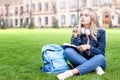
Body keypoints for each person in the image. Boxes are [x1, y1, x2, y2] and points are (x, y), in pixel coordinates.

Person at [57, 8, 106, 80]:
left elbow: (101, 52)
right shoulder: (78, 30)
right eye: (81, 15)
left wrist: (89, 47)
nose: (82, 17)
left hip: (97, 60)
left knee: (100, 57)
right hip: (82, 59)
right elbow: (74, 49)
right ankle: (95, 68)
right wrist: (75, 36)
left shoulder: (101, 32)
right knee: (68, 51)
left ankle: (70, 72)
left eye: (86, 15)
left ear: (92, 18)